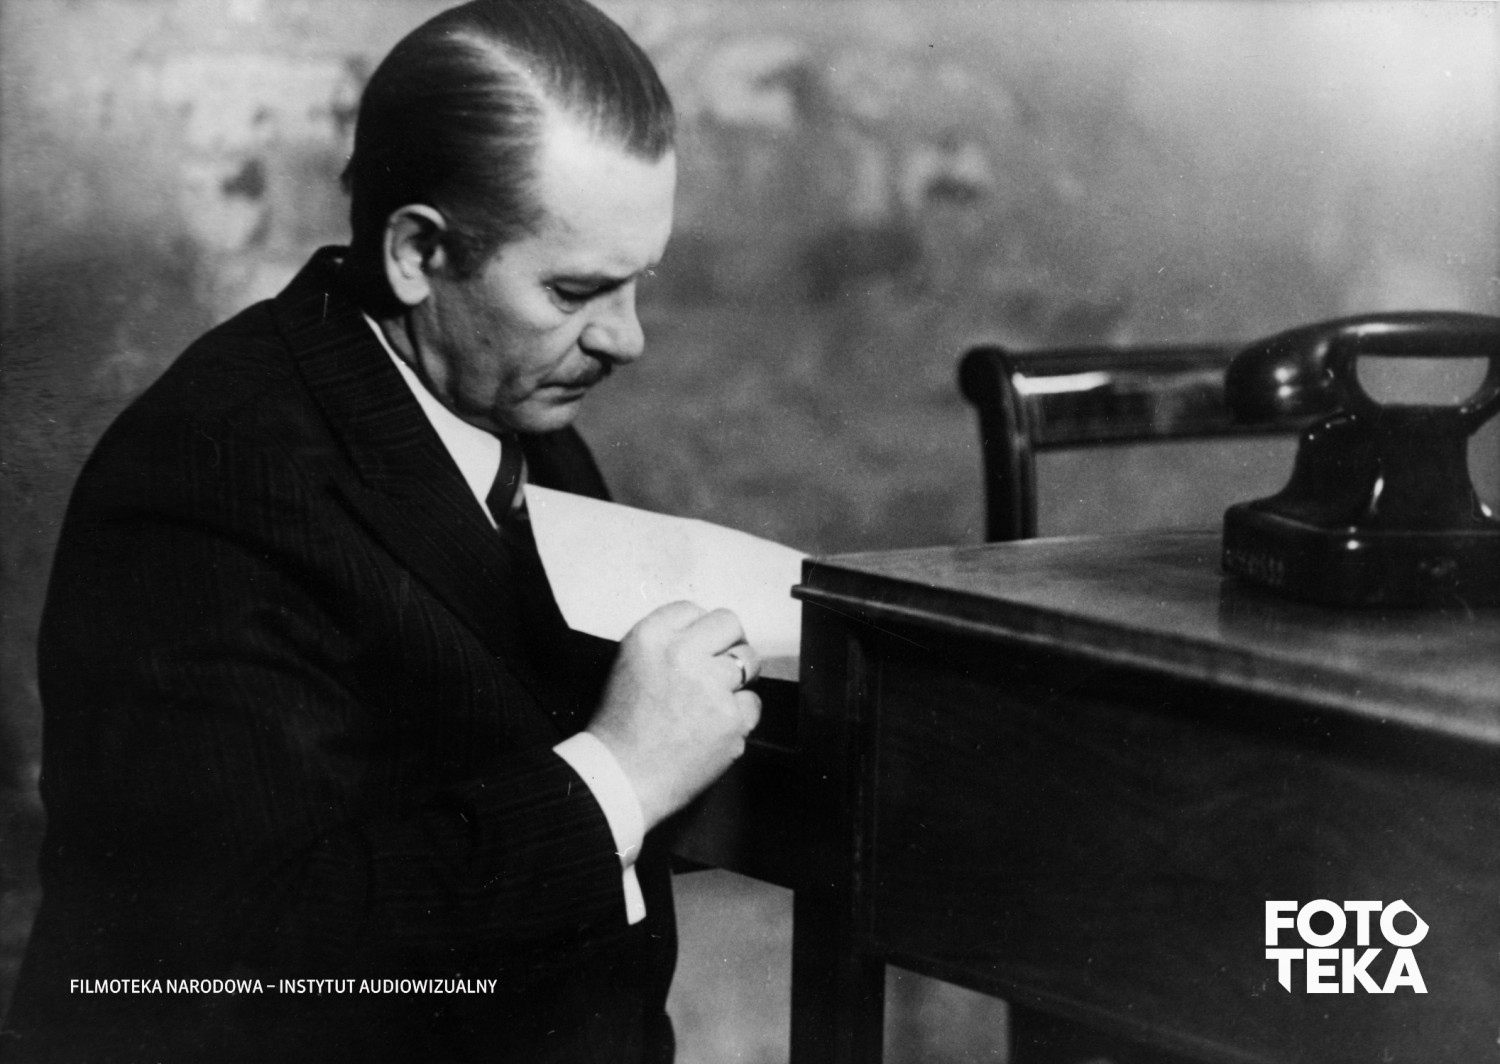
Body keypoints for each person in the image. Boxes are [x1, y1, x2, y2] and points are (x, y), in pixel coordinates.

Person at [0, 2, 761, 1061]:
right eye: (575, 290)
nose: (626, 338)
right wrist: (619, 778)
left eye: (639, 281)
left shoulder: (517, 420)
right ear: (415, 252)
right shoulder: (209, 475)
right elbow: (232, 957)